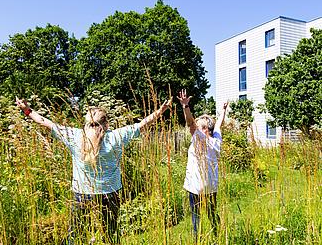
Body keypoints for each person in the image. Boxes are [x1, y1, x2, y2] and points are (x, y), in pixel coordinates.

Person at [15, 97, 172, 244]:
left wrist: (26, 109)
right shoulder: (116, 137)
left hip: (81, 194)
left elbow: (44, 121)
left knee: (75, 234)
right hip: (110, 194)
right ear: (107, 124)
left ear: (85, 123)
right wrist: (161, 110)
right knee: (111, 234)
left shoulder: (74, 136)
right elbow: (143, 124)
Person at [177, 89, 227, 241]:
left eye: (200, 127)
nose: (196, 129)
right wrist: (224, 111)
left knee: (195, 217)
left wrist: (186, 107)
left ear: (205, 129)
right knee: (212, 214)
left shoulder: (200, 138)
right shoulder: (216, 140)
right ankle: (217, 238)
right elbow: (219, 123)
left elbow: (190, 123)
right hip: (212, 186)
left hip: (197, 187)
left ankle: (196, 240)